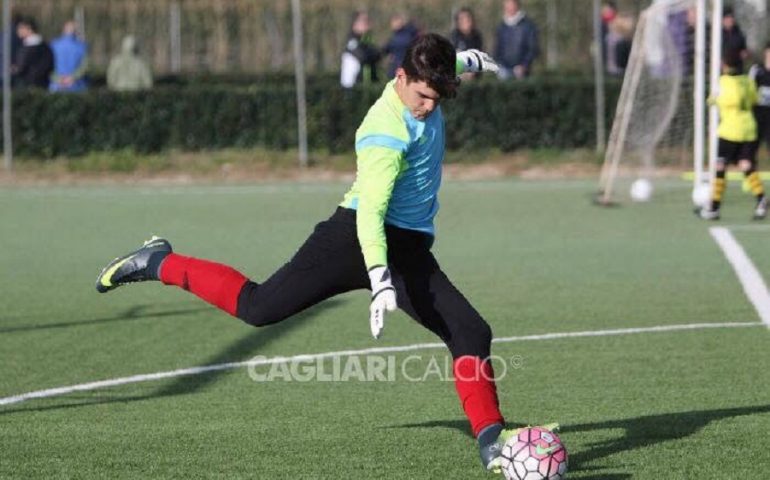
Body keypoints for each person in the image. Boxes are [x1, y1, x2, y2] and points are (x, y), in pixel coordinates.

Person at [95, 33, 554, 473]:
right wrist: (380, 277)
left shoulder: (426, 75)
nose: (428, 107)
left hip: (408, 248)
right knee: (259, 308)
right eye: (422, 97)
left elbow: (440, 65)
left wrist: (467, 61)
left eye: (437, 98)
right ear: (400, 78)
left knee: (471, 331)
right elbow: (371, 213)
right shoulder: (383, 132)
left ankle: (491, 440)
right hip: (353, 239)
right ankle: (159, 262)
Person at [698, 50, 766, 220]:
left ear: (725, 65)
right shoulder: (748, 81)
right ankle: (761, 199)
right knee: (745, 164)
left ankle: (714, 207)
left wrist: (714, 99)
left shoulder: (723, 82)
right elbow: (754, 99)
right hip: (748, 129)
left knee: (720, 166)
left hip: (729, 130)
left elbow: (712, 100)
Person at [493, 0, 539, 80]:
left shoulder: (528, 25)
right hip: (504, 70)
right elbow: (497, 49)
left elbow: (533, 48)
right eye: (507, 4)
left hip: (522, 71)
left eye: (511, 4)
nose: (509, 7)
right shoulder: (501, 27)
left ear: (517, 5)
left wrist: (524, 65)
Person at [340, 11, 381, 88]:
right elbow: (362, 56)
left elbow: (378, 55)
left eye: (368, 21)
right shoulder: (352, 41)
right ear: (355, 25)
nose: (367, 25)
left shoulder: (367, 40)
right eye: (364, 22)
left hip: (367, 85)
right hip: (354, 87)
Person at [11, 16, 53, 89]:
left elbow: (22, 67)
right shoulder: (25, 45)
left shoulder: (38, 47)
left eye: (21, 28)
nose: (18, 30)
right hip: (33, 85)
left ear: (29, 28)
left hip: (31, 86)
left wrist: (15, 70)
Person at [49, 20, 88, 93]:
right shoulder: (83, 46)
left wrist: (58, 79)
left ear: (63, 30)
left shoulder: (53, 45)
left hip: (56, 85)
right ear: (76, 32)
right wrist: (72, 78)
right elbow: (85, 67)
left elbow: (48, 65)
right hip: (77, 85)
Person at [382, 13, 419, 79]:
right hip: (408, 66)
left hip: (399, 65)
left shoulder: (400, 38)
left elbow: (387, 48)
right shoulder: (411, 34)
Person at [749, 42, 770, 157]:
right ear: (765, 53)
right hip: (758, 113)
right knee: (752, 146)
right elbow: (749, 88)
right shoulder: (756, 69)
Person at [721, 6, 747, 72]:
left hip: (737, 70)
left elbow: (744, 51)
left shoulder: (739, 34)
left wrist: (745, 54)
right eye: (727, 17)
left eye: (731, 17)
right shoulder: (717, 34)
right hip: (721, 71)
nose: (730, 19)